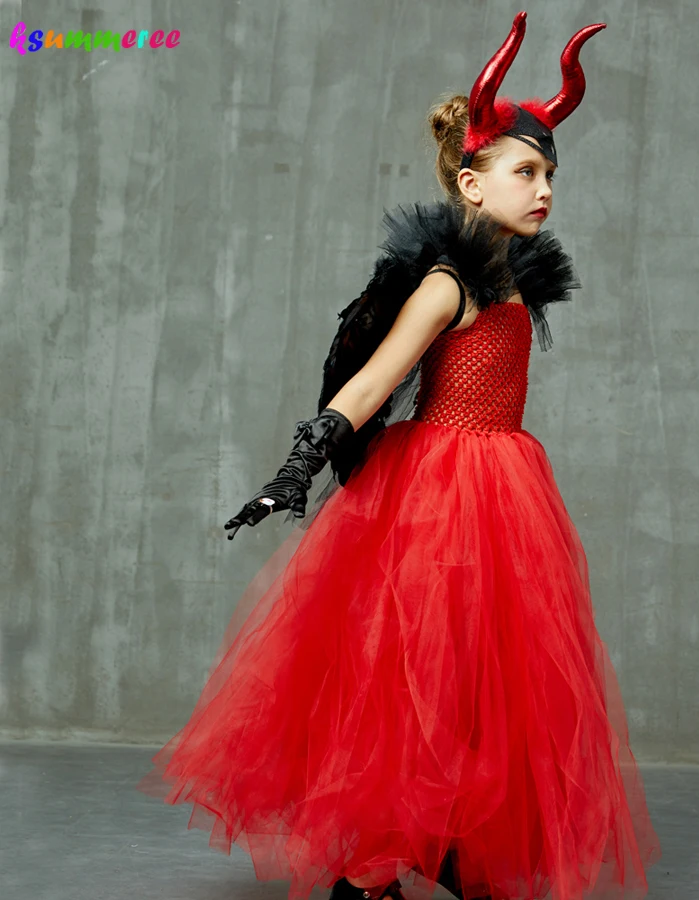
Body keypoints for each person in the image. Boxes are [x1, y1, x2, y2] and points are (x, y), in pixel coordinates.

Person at [138, 12, 661, 900]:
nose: (544, 190)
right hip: (437, 494)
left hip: (506, 491)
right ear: (471, 181)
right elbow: (376, 380)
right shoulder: (447, 285)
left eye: (550, 176)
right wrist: (297, 469)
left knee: (483, 680)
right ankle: (369, 866)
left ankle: (454, 841)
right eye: (526, 173)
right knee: (413, 673)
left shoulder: (512, 286)